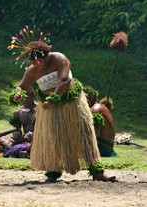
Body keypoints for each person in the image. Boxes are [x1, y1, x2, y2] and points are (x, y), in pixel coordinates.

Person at [8, 25, 116, 182]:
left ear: (46, 55)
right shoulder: (32, 70)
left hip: (73, 105)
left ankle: (96, 171)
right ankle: (52, 172)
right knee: (53, 138)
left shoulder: (59, 59)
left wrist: (54, 99)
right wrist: (17, 94)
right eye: (33, 61)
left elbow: (64, 80)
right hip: (49, 110)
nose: (37, 64)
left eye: (39, 60)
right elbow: (22, 86)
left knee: (84, 134)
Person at [0, 88, 36, 158]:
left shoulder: (40, 110)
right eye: (23, 98)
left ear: (33, 96)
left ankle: (25, 150)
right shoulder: (18, 112)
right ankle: (19, 150)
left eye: (27, 98)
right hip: (24, 139)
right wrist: (17, 134)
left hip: (37, 138)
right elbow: (17, 129)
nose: (25, 100)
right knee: (1, 139)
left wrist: (33, 135)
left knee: (35, 143)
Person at [85, 87, 117, 157]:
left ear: (91, 97)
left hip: (103, 148)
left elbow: (96, 134)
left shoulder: (95, 110)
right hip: (108, 147)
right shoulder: (101, 107)